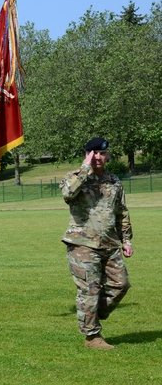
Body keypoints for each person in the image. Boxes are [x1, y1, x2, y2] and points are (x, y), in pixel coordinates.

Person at [60, 138, 134, 350]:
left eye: (102, 154)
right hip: (82, 244)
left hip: (109, 244)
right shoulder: (75, 177)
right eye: (93, 154)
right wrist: (85, 169)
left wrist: (126, 240)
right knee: (90, 291)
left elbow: (121, 212)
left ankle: (91, 312)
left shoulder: (114, 181)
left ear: (108, 155)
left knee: (121, 284)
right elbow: (68, 193)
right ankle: (92, 337)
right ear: (87, 155)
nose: (98, 157)